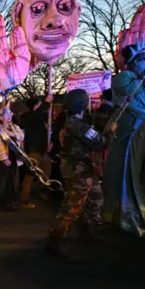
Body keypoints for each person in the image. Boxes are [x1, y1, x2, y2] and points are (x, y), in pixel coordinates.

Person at [103, 44, 145, 237]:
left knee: (141, 168)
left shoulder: (143, 80)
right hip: (131, 129)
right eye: (141, 61)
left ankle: (142, 210)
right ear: (132, 62)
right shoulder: (123, 78)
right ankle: (125, 212)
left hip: (144, 126)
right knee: (128, 166)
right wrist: (144, 74)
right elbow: (129, 90)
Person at [46, 89, 110, 258]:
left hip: (86, 168)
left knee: (95, 199)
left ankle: (89, 231)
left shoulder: (76, 122)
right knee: (72, 207)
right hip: (78, 171)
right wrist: (110, 131)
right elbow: (99, 143)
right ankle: (54, 239)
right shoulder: (76, 125)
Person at [19, 98, 52, 208]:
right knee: (30, 174)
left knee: (44, 173)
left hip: (41, 149)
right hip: (33, 150)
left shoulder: (38, 117)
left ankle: (42, 193)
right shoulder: (29, 117)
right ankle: (24, 199)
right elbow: (36, 113)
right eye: (39, 104)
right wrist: (46, 102)